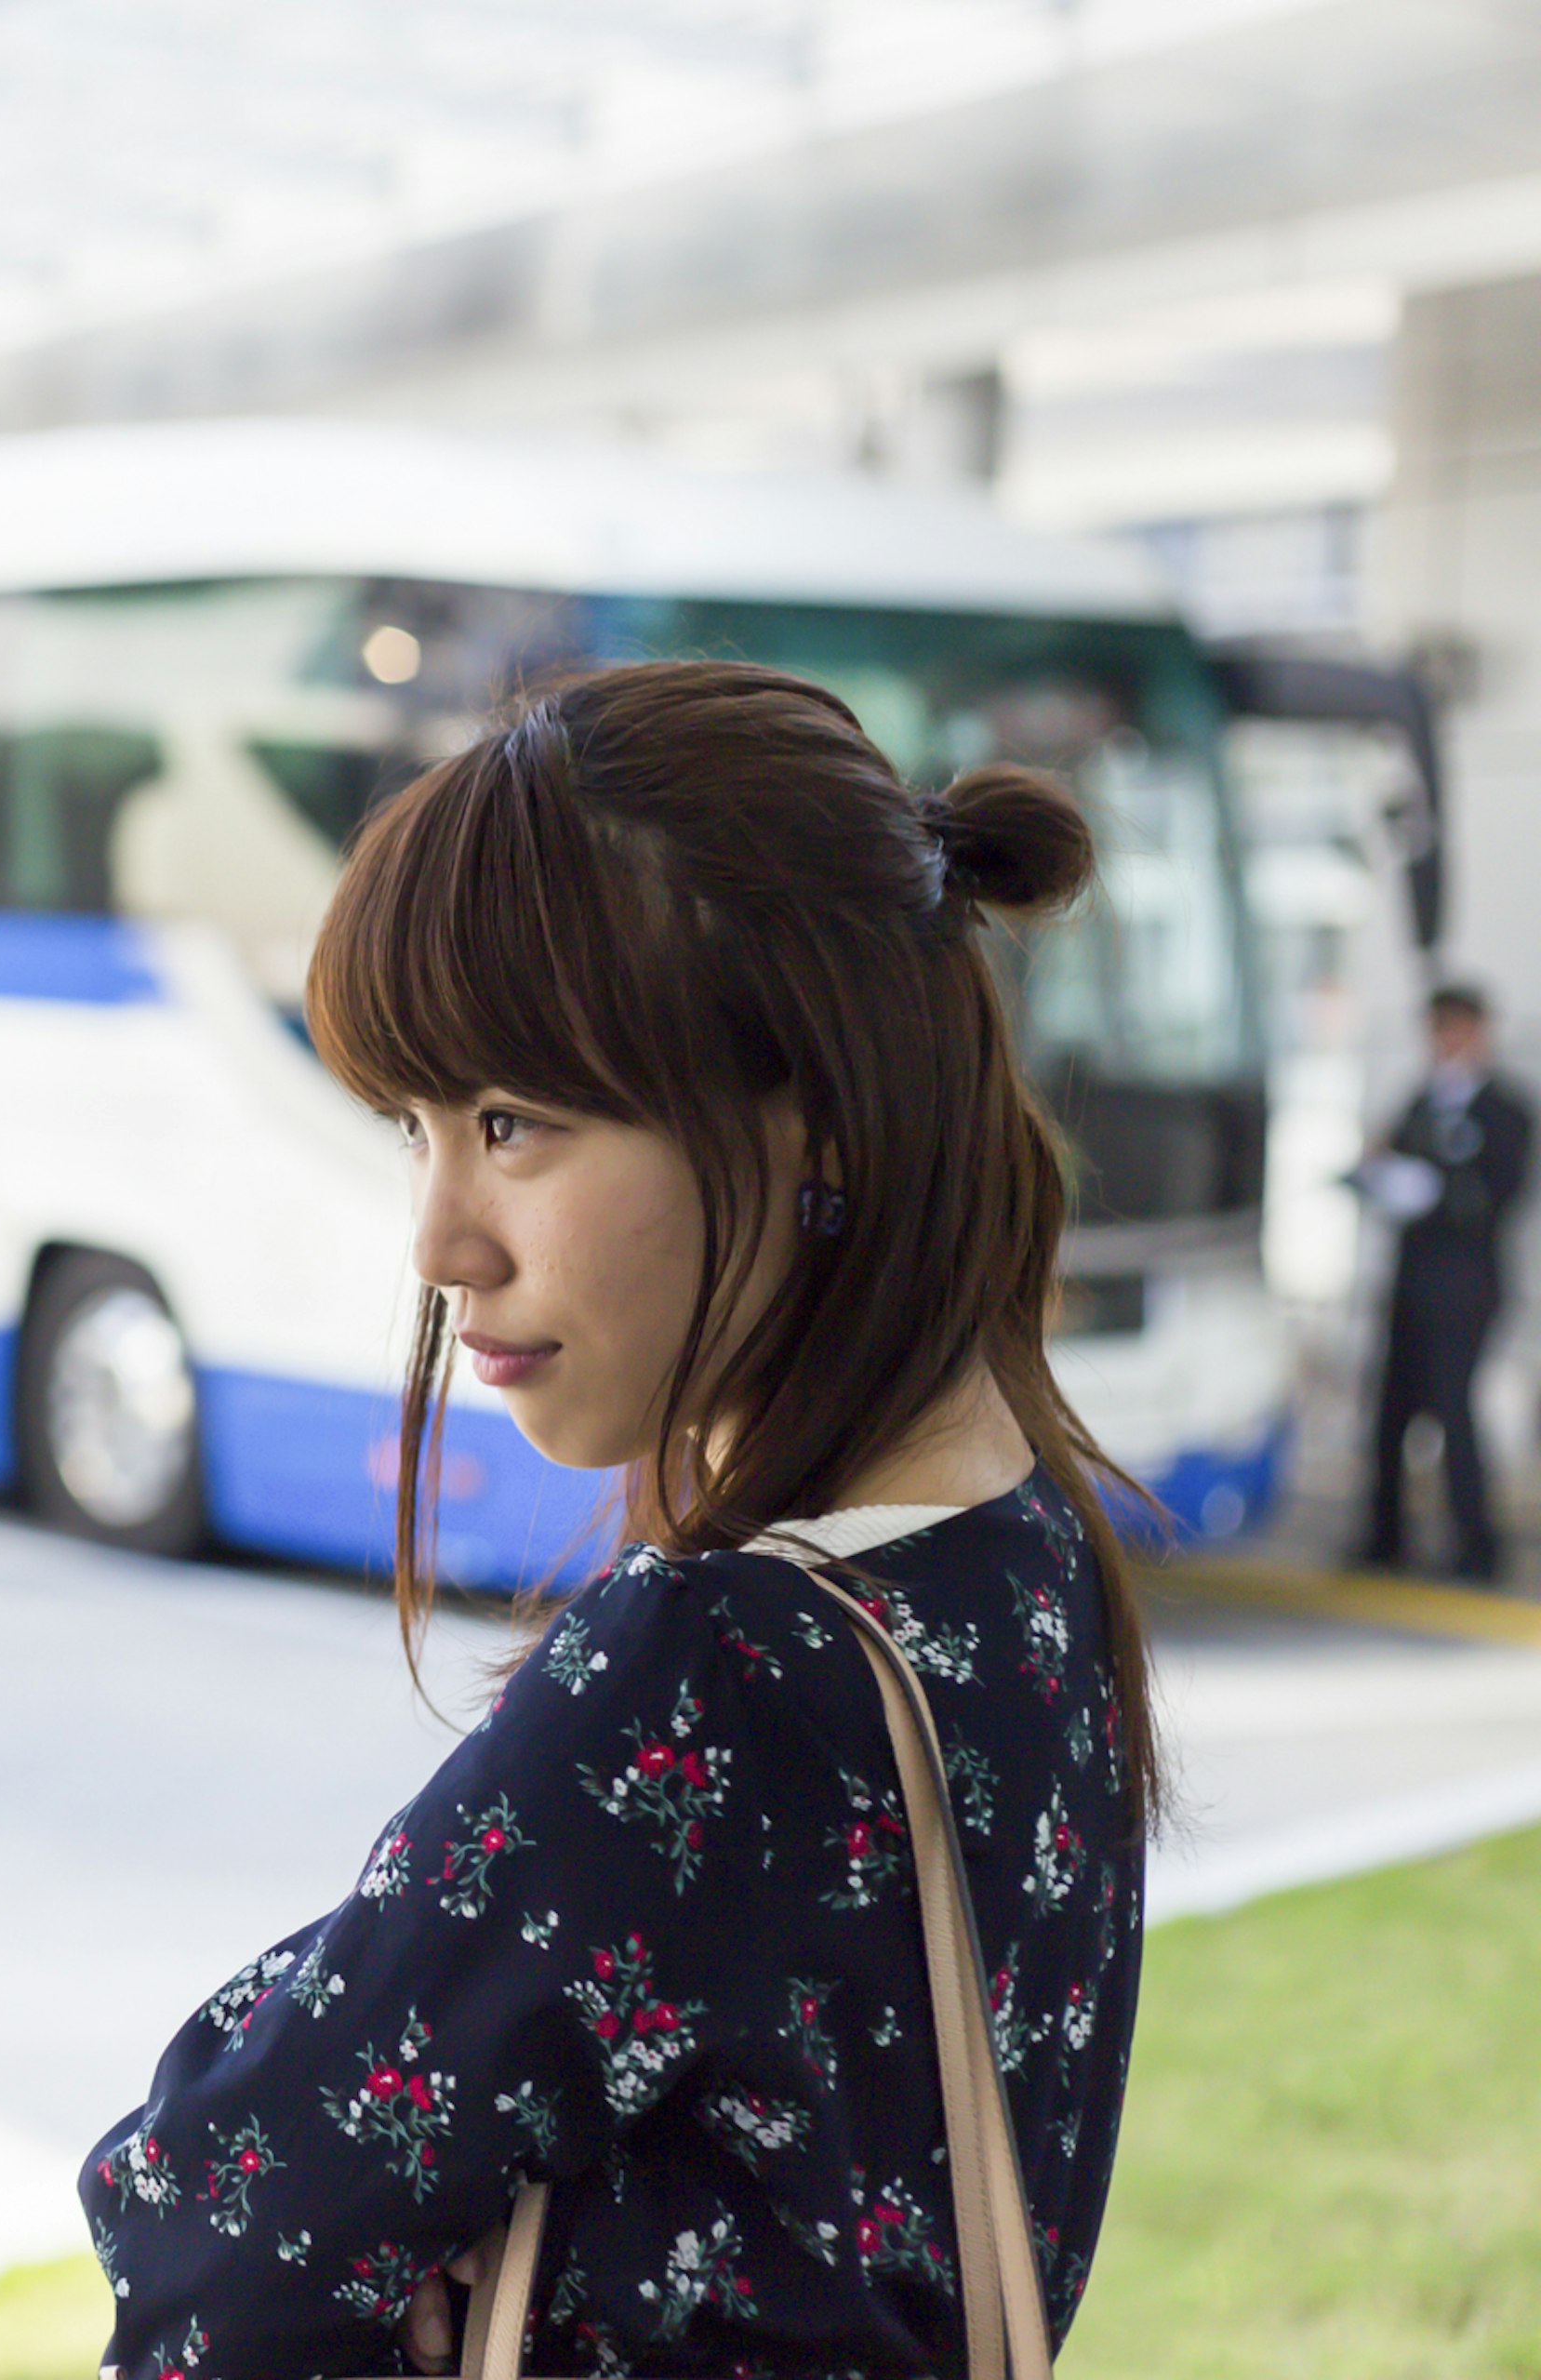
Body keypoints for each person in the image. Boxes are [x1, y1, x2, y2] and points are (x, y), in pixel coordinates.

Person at [82, 663, 1162, 2378]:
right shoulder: (1021, 1540)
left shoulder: (711, 1666)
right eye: (417, 1127)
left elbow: (209, 2211)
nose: (441, 1238)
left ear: (804, 1113)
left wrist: (455, 2263)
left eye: (514, 1123)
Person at [1352, 985, 1533, 1583]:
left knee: (1456, 1415)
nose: (1444, 1043)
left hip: (1464, 1289)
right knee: (1390, 1414)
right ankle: (1386, 1537)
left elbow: (1498, 1194)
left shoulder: (1505, 1109)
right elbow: (1387, 1159)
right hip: (1410, 1283)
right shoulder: (1418, 1102)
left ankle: (1476, 1547)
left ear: (1479, 1032)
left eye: (1454, 1030)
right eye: (1437, 1030)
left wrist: (1433, 1189)